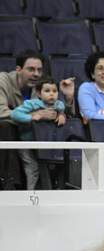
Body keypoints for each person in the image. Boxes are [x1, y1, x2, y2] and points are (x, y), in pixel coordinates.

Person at [0, 49, 75, 190]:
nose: (36, 74)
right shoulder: (3, 80)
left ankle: (54, 186)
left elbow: (58, 110)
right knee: (5, 127)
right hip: (11, 133)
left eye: (39, 70)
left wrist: (67, 102)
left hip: (34, 137)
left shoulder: (41, 88)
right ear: (18, 69)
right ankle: (9, 185)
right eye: (31, 69)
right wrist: (33, 117)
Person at [10, 76, 67, 189]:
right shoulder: (32, 104)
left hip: (45, 144)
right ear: (39, 93)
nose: (51, 94)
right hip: (27, 144)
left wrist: (61, 115)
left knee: (47, 169)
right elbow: (14, 114)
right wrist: (32, 117)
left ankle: (46, 193)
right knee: (32, 169)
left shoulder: (58, 105)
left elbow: (62, 109)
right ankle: (30, 195)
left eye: (54, 91)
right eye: (47, 91)